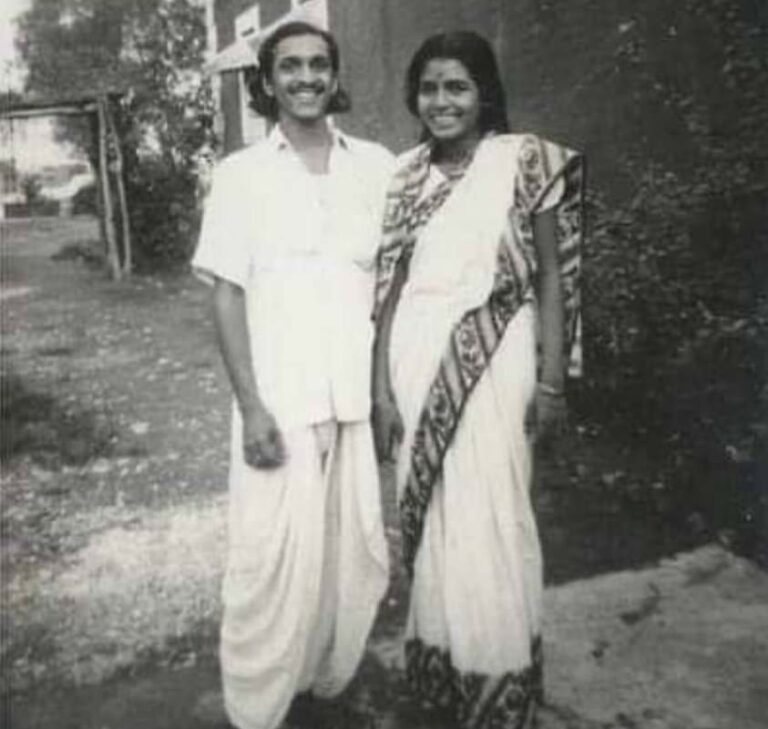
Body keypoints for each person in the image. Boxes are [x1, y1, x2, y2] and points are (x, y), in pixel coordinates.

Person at [371, 31, 584, 729]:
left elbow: (553, 274)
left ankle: (499, 683)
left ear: (484, 92)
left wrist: (553, 380)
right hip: (414, 355)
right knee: (431, 521)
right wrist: (380, 388)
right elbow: (390, 287)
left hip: (498, 351)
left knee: (493, 513)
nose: (442, 101)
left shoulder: (525, 161)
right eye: (429, 88)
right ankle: (444, 672)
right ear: (415, 97)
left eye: (457, 86)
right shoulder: (404, 177)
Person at [192, 21, 393, 729]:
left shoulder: (376, 165)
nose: (305, 78)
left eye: (318, 65)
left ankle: (317, 679)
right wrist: (251, 407)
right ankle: (255, 709)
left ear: (334, 75)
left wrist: (383, 390)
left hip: (352, 398)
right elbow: (226, 291)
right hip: (279, 398)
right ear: (267, 81)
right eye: (290, 67)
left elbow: (393, 283)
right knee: (268, 559)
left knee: (348, 552)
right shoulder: (242, 176)